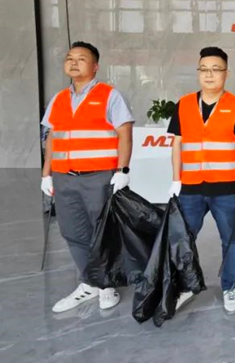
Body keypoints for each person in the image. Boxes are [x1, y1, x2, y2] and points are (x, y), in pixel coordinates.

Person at [40, 41, 134, 313]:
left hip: (98, 177)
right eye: (69, 58)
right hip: (64, 178)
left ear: (95, 66)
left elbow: (124, 133)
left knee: (102, 232)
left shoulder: (109, 95)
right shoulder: (59, 99)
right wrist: (46, 174)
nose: (73, 62)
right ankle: (90, 283)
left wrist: (123, 170)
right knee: (73, 232)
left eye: (81, 58)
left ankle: (107, 286)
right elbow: (52, 138)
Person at [166, 47, 235, 313]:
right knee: (184, 238)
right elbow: (177, 145)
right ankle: (185, 285)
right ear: (198, 72)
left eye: (215, 69)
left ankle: (230, 286)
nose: (209, 74)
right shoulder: (184, 104)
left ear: (226, 73)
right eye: (204, 69)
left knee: (231, 239)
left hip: (226, 188)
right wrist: (175, 179)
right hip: (190, 187)